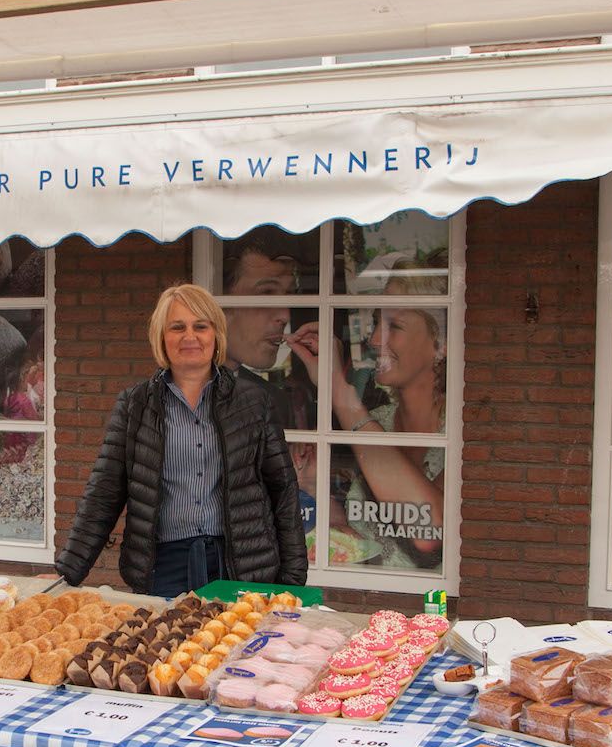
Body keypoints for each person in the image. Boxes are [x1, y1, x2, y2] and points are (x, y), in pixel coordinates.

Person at [57, 283, 307, 600]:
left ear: (216, 334)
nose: (190, 336)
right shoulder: (135, 405)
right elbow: (103, 494)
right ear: (162, 337)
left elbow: (283, 490)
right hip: (164, 567)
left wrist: (292, 581)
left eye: (200, 326)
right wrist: (67, 573)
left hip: (241, 565)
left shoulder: (254, 402)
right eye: (177, 327)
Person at [288, 272, 446, 568]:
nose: (374, 340)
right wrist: (312, 484)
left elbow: (428, 529)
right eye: (376, 324)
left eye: (394, 326)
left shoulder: (463, 432)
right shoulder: (377, 420)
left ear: (441, 343)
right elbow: (360, 535)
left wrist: (338, 390)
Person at [220, 235, 317, 431]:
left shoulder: (275, 401)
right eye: (266, 293)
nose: (285, 316)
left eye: (288, 295)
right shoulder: (166, 399)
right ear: (220, 302)